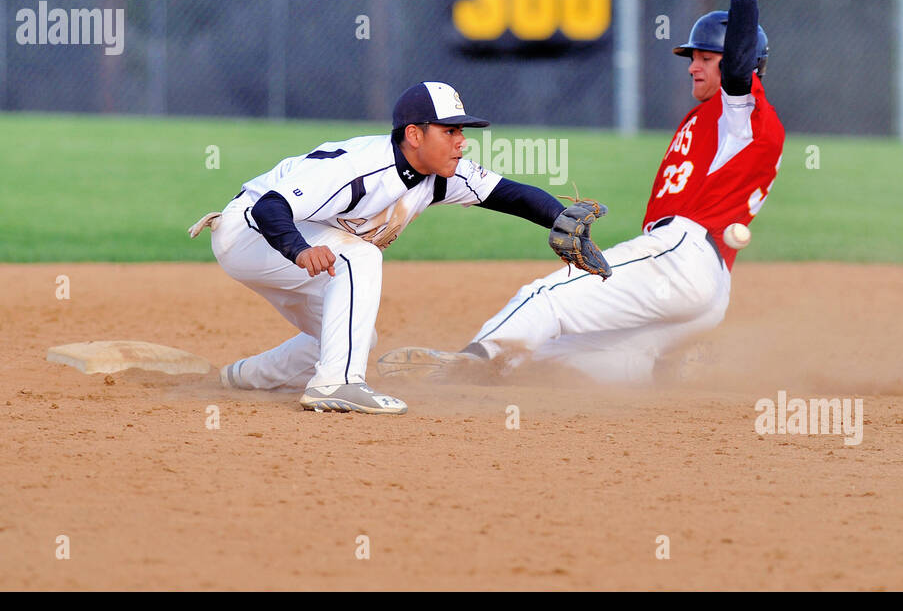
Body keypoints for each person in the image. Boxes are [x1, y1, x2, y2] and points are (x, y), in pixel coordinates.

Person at [378, 0, 784, 385]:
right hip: (706, 291)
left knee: (548, 296)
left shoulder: (744, 115)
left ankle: (475, 360)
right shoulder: (720, 121)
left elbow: (738, 69)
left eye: (705, 58)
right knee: (582, 357)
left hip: (681, 256)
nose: (692, 65)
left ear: (739, 64)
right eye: (693, 57)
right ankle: (665, 370)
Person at [187, 81, 607, 415]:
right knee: (360, 254)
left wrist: (557, 217)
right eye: (450, 131)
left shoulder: (442, 172)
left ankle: (244, 377)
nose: (461, 141)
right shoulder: (358, 167)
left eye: (462, 131)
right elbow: (270, 207)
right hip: (250, 234)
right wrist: (298, 249)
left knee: (353, 334)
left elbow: (508, 194)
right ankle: (337, 383)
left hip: (294, 240)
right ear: (414, 134)